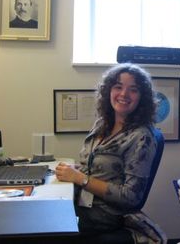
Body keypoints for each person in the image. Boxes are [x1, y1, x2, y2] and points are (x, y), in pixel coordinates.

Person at [55, 63, 165, 243]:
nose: (123, 94)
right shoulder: (102, 124)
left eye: (133, 90)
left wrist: (81, 178)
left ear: (142, 97)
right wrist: (77, 171)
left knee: (30, 228)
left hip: (103, 216)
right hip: (80, 204)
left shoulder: (142, 137)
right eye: (118, 87)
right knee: (31, 212)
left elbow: (131, 197)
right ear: (108, 91)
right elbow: (99, 169)